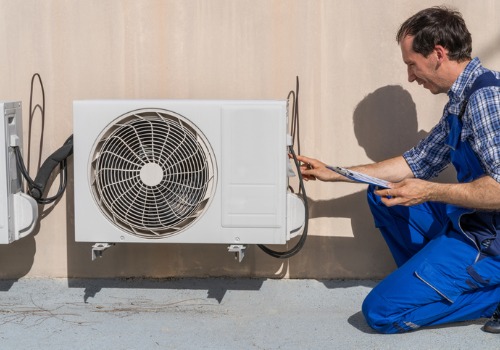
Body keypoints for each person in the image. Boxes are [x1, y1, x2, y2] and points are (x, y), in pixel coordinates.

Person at [297, 6, 500, 334]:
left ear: (437, 53)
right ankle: (430, 283)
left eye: (411, 65)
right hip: (473, 224)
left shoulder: (486, 98)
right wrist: (333, 172)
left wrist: (430, 190)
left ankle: (490, 295)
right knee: (381, 193)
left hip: (492, 242)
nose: (410, 76)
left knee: (381, 312)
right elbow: (416, 162)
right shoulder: (459, 102)